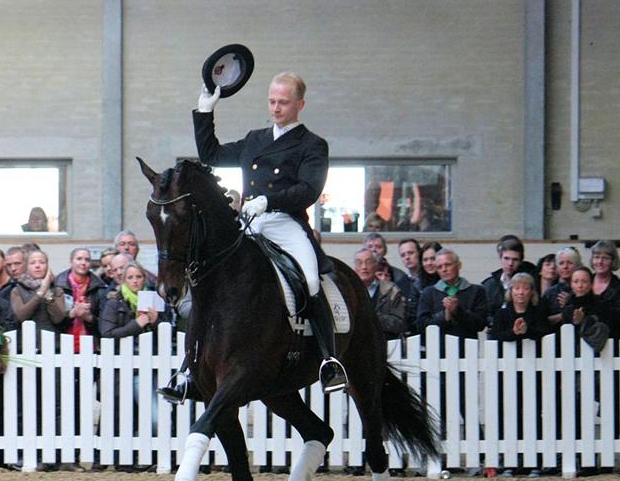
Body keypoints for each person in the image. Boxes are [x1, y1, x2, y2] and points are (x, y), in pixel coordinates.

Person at [191, 70, 345, 393]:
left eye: (284, 102)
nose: (276, 108)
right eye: (272, 101)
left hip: (285, 222)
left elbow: (309, 189)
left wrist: (269, 200)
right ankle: (190, 366)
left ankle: (329, 361)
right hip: (250, 221)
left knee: (312, 280)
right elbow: (212, 155)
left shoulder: (312, 145)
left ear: (300, 104)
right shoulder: (255, 139)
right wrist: (205, 112)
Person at [415, 248, 489, 340]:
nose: (444, 269)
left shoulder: (476, 291)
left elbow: (480, 324)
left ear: (459, 265)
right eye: (439, 267)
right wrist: (444, 316)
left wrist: (457, 311)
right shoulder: (428, 293)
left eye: (448, 265)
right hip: (437, 348)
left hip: (467, 349)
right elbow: (420, 325)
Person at [8, 248, 67, 341]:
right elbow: (21, 317)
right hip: (26, 344)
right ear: (26, 267)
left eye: (42, 262)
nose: (37, 266)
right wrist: (40, 294)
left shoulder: (57, 290)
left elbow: (58, 318)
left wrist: (47, 293)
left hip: (52, 343)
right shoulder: (17, 290)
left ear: (47, 266)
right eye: (32, 263)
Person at [53, 247, 104, 352]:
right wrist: (72, 314)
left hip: (90, 345)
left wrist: (89, 317)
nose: (83, 263)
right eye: (79, 259)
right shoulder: (57, 284)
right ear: (71, 262)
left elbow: (104, 322)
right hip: (63, 344)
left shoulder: (99, 287)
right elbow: (52, 319)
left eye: (87, 259)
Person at [481, 235, 537, 324]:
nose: (510, 263)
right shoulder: (489, 285)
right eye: (506, 258)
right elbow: (484, 313)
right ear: (500, 258)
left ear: (521, 261)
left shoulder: (531, 282)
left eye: (515, 260)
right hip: (496, 333)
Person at [352, 248, 406, 340]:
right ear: (355, 267)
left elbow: (399, 324)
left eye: (368, 262)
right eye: (359, 263)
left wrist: (373, 316)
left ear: (375, 265)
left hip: (386, 345)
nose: (364, 267)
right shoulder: (349, 291)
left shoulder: (392, 291)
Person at [99, 262, 162, 339]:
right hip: (123, 349)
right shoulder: (114, 302)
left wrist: (155, 322)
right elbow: (107, 333)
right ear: (124, 280)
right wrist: (136, 325)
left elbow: (169, 333)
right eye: (130, 277)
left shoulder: (155, 299)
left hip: (151, 348)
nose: (135, 281)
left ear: (144, 279)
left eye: (139, 277)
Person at [588, 241, 620, 339]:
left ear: (613, 261)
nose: (600, 262)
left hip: (612, 339)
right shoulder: (584, 282)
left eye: (605, 258)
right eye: (596, 257)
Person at [490, 272, 549, 342]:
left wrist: (527, 330)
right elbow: (495, 337)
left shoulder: (539, 313)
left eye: (526, 288)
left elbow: (545, 334)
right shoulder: (501, 314)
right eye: (517, 288)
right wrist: (513, 332)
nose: (521, 292)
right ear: (511, 291)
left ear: (532, 292)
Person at [544, 246, 582, 327]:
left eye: (570, 263)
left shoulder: (583, 289)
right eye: (561, 263)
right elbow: (541, 321)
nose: (565, 267)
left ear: (577, 266)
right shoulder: (549, 293)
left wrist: (572, 302)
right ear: (557, 268)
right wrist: (563, 315)